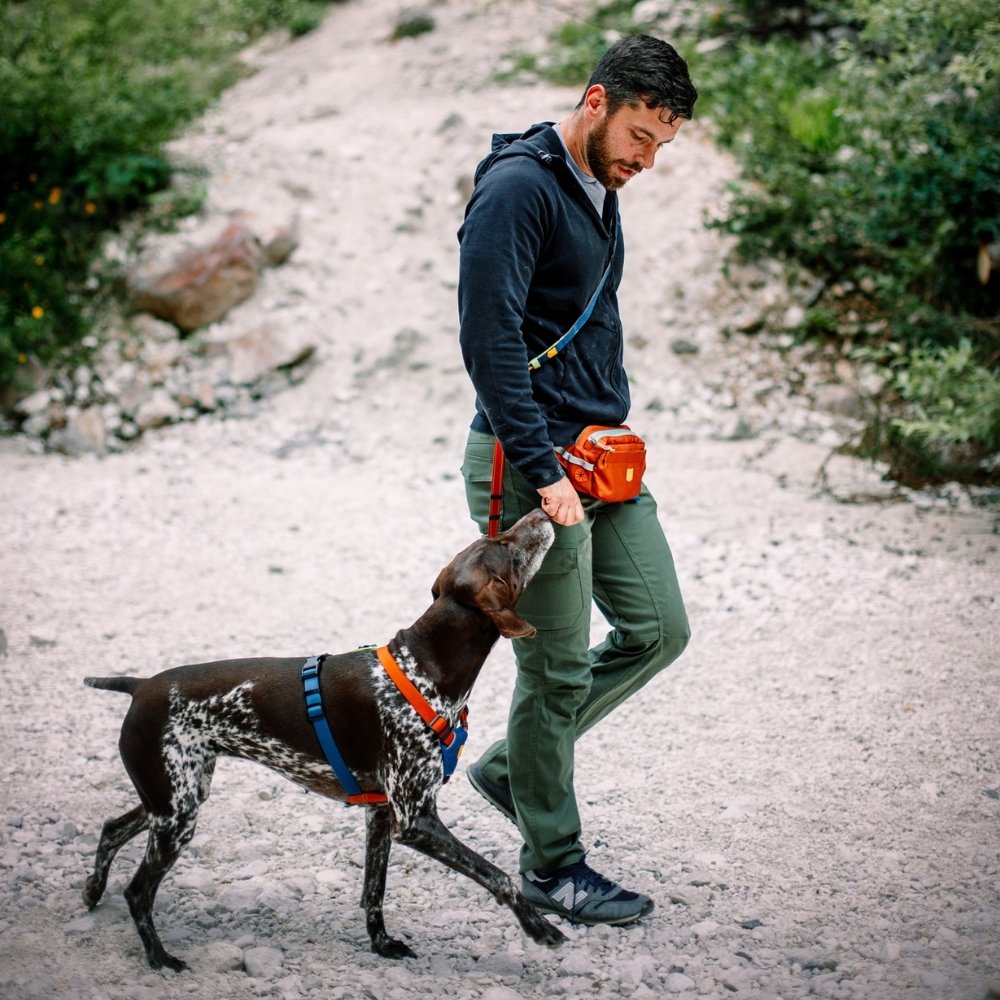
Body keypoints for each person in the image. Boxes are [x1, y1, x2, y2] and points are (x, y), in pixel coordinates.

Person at [456, 34, 698, 927]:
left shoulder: (599, 184)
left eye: (662, 145)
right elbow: (488, 341)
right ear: (597, 101)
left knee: (658, 627)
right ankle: (552, 867)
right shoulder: (518, 189)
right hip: (534, 467)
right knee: (555, 669)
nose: (647, 159)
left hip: (602, 456)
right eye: (640, 135)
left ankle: (513, 770)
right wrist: (542, 468)